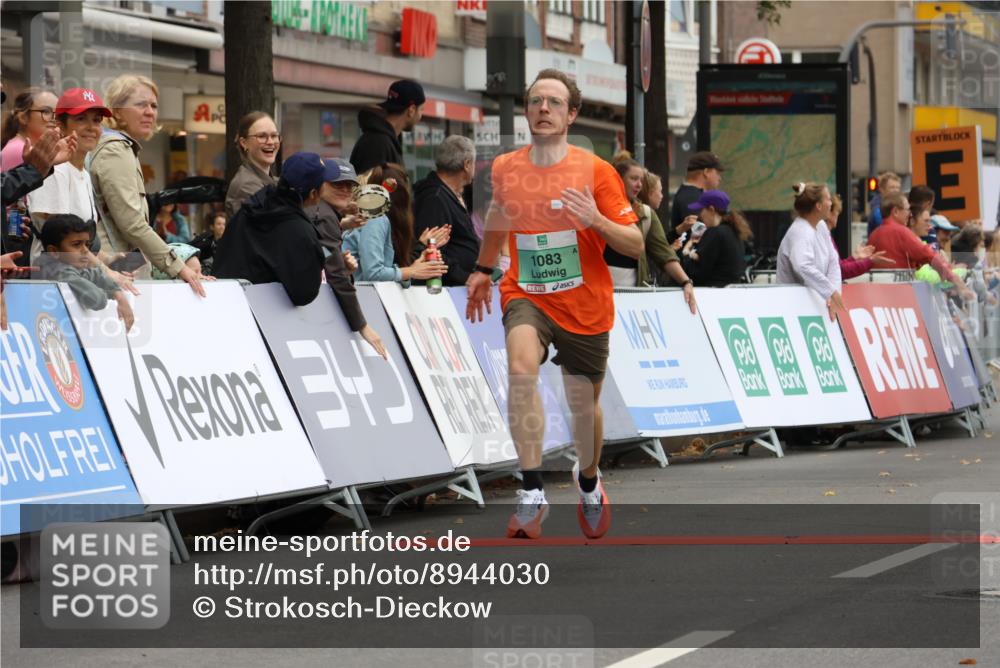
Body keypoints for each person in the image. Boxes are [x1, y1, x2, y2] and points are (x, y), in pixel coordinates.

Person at [466, 68, 643, 540]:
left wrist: (596, 221)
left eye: (554, 103)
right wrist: (484, 270)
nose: (543, 109)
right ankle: (531, 489)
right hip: (527, 292)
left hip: (584, 302)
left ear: (572, 115)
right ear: (527, 112)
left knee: (583, 406)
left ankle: (588, 481)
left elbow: (636, 243)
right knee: (521, 368)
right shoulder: (505, 167)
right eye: (536, 101)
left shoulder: (596, 170)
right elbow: (501, 217)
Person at [90, 74, 205, 297]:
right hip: (117, 276)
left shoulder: (119, 147)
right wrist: (178, 266)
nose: (150, 112)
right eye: (141, 104)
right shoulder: (115, 149)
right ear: (116, 110)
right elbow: (132, 224)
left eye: (154, 105)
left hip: (118, 271)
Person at [214, 152, 333, 306]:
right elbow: (305, 294)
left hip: (223, 303)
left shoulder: (255, 205)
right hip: (262, 318)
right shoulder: (300, 231)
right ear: (313, 193)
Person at [302, 156, 387, 359]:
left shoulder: (324, 212)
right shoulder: (324, 215)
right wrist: (363, 326)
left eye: (350, 185)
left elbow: (322, 255)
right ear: (320, 184)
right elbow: (337, 276)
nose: (345, 190)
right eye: (337, 184)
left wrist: (337, 259)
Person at [26, 89, 109, 263]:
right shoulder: (54, 170)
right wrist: (108, 274)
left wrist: (111, 260)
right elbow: (65, 241)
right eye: (81, 119)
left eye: (96, 120)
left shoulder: (83, 173)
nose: (91, 127)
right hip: (54, 281)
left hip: (80, 276)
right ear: (61, 126)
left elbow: (83, 244)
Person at [611, 153, 696, 313]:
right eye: (633, 179)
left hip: (632, 298)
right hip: (596, 296)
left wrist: (686, 282)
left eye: (641, 180)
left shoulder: (646, 213)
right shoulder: (597, 208)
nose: (639, 185)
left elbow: (664, 254)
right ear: (617, 179)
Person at [342, 163, 448, 284]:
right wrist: (412, 271)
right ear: (403, 194)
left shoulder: (382, 221)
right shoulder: (375, 218)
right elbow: (373, 273)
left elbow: (389, 275)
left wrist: (416, 266)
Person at [868, 192, 974, 301]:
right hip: (900, 298)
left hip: (880, 298)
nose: (910, 214)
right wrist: (959, 283)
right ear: (895, 211)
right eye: (907, 210)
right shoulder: (902, 232)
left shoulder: (873, 235)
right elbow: (931, 256)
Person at [36, 214, 134, 331]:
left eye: (87, 244)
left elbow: (94, 273)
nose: (86, 251)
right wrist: (112, 294)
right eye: (76, 245)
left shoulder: (68, 266)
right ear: (54, 251)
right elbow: (97, 300)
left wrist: (118, 295)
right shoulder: (57, 271)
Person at [414, 135, 480, 286]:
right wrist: (465, 277)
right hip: (442, 290)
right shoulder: (434, 198)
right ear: (467, 164)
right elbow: (434, 250)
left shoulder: (448, 193)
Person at [776, 183, 844, 317]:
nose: (831, 203)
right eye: (828, 199)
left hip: (814, 305)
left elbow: (833, 260)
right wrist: (831, 291)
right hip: (791, 307)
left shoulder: (821, 226)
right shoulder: (799, 232)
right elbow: (803, 266)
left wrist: (834, 294)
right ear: (818, 206)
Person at [349, 80, 425, 175]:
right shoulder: (378, 143)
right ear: (412, 110)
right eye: (421, 109)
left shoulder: (385, 140)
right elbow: (370, 186)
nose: (421, 116)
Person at [680, 190, 749, 287]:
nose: (699, 215)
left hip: (713, 294)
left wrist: (686, 251)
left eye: (701, 210)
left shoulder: (715, 233)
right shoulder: (733, 231)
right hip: (729, 293)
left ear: (711, 209)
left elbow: (696, 273)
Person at [225, 111, 279, 218]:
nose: (270, 142)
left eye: (274, 136)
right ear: (244, 143)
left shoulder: (274, 181)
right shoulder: (246, 186)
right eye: (262, 136)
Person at [825, 193, 891, 280]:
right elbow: (840, 271)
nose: (838, 216)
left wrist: (855, 257)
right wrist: (870, 261)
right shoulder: (823, 237)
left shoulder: (826, 235)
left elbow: (838, 267)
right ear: (829, 213)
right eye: (837, 212)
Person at [669, 151, 723, 242]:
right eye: (717, 173)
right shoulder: (692, 198)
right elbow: (702, 237)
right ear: (706, 172)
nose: (719, 178)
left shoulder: (690, 194)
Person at [2, 87, 59, 171]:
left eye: (57, 114)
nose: (54, 118)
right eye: (46, 111)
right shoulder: (19, 149)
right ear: (23, 117)